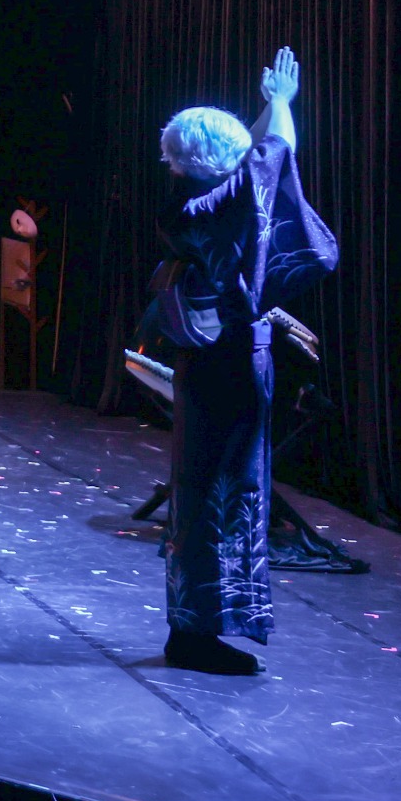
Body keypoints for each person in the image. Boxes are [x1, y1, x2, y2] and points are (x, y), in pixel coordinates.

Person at [142, 48, 339, 676]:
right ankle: (196, 635)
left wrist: (267, 110)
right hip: (230, 361)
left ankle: (192, 627)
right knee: (222, 491)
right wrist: (279, 101)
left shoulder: (187, 201)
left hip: (205, 361)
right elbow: (273, 152)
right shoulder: (225, 203)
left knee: (202, 487)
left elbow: (253, 159)